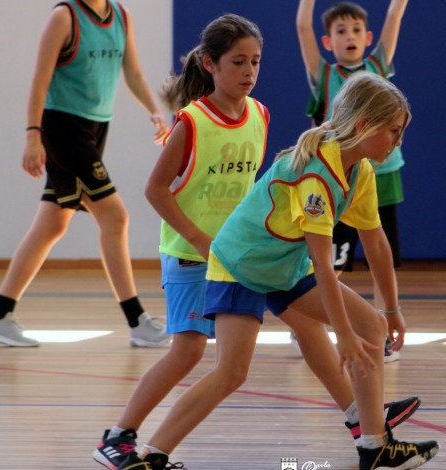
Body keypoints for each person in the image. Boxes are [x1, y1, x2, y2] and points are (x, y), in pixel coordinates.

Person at [93, 17, 420, 470]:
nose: (250, 70)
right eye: (239, 61)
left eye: (256, 62)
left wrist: (391, 307)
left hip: (277, 259)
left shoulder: (346, 162)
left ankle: (371, 437)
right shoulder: (308, 170)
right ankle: (138, 446)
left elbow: (376, 241)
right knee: (222, 367)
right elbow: (323, 266)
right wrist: (343, 333)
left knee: (363, 327)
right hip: (233, 260)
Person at [0, 0, 171, 348]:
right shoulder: (64, 17)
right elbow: (41, 77)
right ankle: (136, 320)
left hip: (95, 129)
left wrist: (155, 111)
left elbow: (134, 72)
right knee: (115, 216)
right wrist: (32, 135)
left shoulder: (121, 17)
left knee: (53, 223)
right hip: (62, 129)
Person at [295, 0, 409, 363]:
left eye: (356, 30)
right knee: (331, 258)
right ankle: (311, 323)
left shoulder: (377, 66)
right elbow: (302, 28)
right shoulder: (324, 75)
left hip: (381, 178)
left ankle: (382, 327)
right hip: (336, 177)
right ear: (328, 41)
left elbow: (394, 15)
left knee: (381, 254)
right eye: (341, 31)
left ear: (368, 37)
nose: (350, 37)